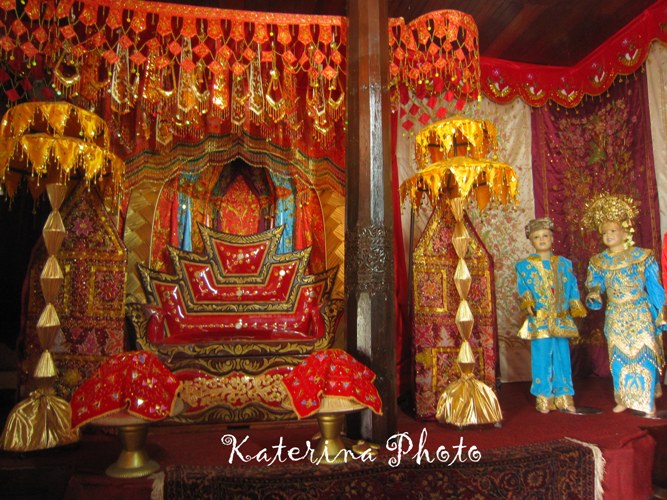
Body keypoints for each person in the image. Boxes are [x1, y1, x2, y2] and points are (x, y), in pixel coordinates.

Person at [583, 193, 665, 415]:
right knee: (619, 354)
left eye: (612, 230)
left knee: (644, 352)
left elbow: (655, 287)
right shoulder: (598, 262)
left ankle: (647, 401)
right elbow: (594, 284)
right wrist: (594, 294)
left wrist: (661, 311)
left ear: (624, 231)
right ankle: (624, 397)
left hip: (639, 311)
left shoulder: (642, 256)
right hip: (616, 313)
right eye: (604, 232)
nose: (608, 235)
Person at [516, 217, 586, 414]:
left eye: (545, 235)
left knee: (562, 357)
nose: (542, 239)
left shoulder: (564, 264)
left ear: (552, 238)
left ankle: (564, 395)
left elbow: (572, 285)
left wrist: (574, 302)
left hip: (561, 317)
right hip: (540, 318)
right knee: (541, 357)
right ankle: (543, 396)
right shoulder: (524, 266)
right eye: (537, 237)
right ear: (531, 240)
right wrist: (528, 302)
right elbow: (523, 287)